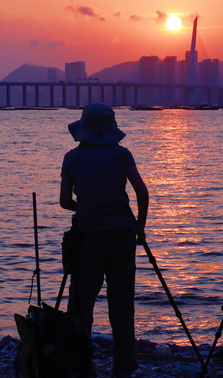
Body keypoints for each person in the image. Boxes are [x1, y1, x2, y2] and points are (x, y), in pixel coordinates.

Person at [60, 103, 149, 378]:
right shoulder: (122, 155)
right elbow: (142, 193)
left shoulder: (71, 158)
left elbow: (65, 202)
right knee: (122, 304)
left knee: (81, 304)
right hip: (122, 234)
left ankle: (81, 364)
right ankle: (123, 367)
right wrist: (140, 228)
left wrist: (88, 205)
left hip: (88, 236)